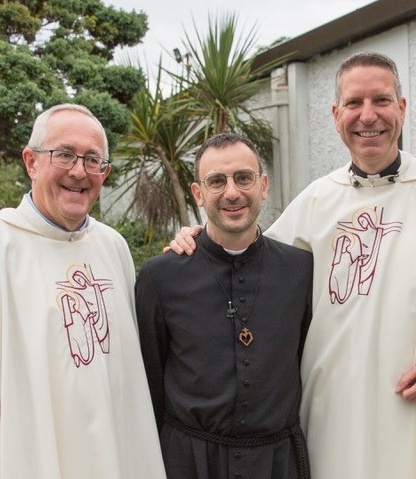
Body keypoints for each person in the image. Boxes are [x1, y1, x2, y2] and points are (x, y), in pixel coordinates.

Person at [168, 52, 416, 479]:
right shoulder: (316, 202)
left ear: (403, 108)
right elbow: (246, 261)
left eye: (382, 100)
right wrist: (196, 238)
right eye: (354, 103)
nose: (367, 116)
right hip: (333, 418)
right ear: (336, 115)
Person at [0, 104, 166, 478]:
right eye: (65, 155)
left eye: (93, 160)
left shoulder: (113, 248)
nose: (79, 171)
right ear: (31, 162)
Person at [136, 132, 313, 479]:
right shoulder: (161, 277)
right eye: (217, 181)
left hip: (277, 463)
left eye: (243, 178)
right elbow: (149, 381)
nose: (232, 192)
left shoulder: (301, 269)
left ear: (263, 185)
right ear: (198, 194)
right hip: (189, 462)